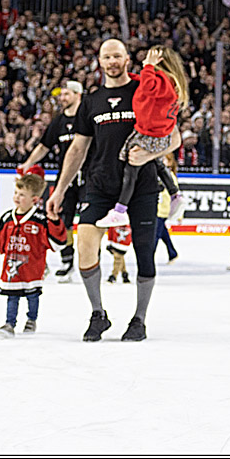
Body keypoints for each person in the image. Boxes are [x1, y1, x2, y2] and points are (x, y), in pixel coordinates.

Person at [47, 38, 182, 343]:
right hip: (100, 185)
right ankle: (98, 314)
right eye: (106, 56)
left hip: (143, 186)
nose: (112, 61)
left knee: (144, 254)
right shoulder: (90, 101)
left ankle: (139, 320)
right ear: (99, 61)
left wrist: (148, 156)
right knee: (84, 245)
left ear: (126, 59)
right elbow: (77, 149)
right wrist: (59, 190)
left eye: (117, 56)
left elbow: (173, 139)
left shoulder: (143, 89)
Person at [0, 168, 66, 338]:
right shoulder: (7, 218)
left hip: (33, 269)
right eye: (16, 193)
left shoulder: (40, 220)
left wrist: (55, 221)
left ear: (34, 199)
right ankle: (9, 323)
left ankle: (31, 319)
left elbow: (56, 242)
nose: (17, 197)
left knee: (33, 296)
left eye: (22, 195)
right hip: (12, 269)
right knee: (12, 296)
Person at [95, 46, 187, 229]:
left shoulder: (162, 80)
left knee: (132, 168)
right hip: (153, 132)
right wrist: (132, 77)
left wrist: (148, 67)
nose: (145, 60)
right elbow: (144, 83)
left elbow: (148, 86)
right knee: (157, 163)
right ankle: (175, 194)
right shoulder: (167, 81)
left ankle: (120, 210)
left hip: (149, 133)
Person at [19, 79, 85, 281]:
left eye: (66, 94)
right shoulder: (58, 122)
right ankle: (67, 262)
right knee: (62, 222)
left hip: (89, 177)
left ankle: (90, 263)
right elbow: (44, 146)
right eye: (61, 95)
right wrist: (27, 164)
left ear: (77, 95)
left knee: (87, 224)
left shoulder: (88, 118)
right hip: (65, 179)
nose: (62, 98)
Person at [155, 152, 181, 264]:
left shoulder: (170, 176)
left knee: (155, 234)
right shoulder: (156, 173)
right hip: (156, 208)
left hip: (163, 209)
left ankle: (150, 255)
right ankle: (172, 253)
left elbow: (176, 196)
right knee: (162, 232)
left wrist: (179, 214)